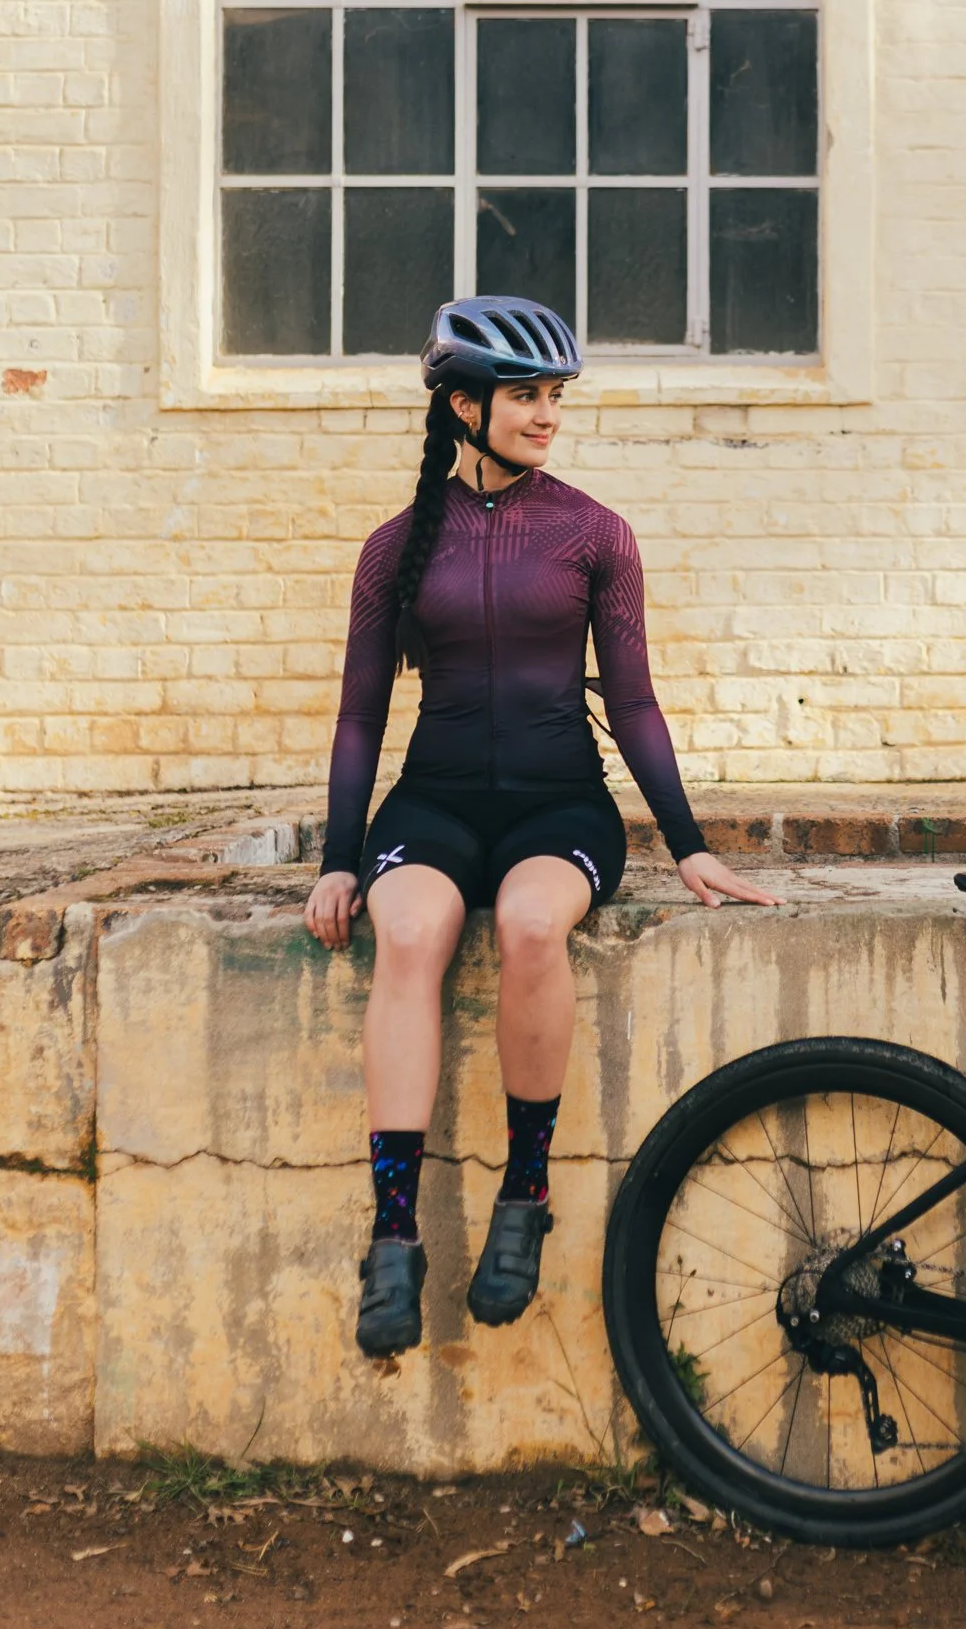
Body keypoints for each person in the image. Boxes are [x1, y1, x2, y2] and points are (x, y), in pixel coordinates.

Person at [303, 294, 774, 1358]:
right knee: (408, 933)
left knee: (527, 925)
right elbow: (360, 715)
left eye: (555, 394)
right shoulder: (393, 547)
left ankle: (525, 1195)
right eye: (525, 395)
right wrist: (337, 860)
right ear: (463, 406)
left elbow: (635, 702)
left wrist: (689, 843)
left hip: (561, 806)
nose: (547, 414)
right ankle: (393, 1234)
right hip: (432, 804)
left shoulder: (594, 533)